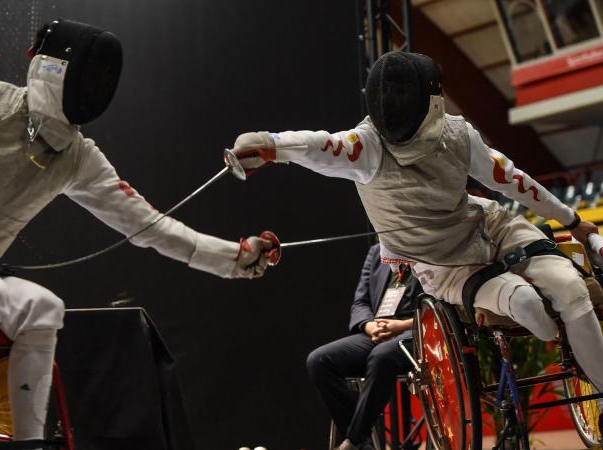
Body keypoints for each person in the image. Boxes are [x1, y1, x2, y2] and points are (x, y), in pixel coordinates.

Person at [0, 19, 273, 447]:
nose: (94, 86)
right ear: (51, 65)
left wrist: (231, 258)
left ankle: (29, 442)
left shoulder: (77, 157)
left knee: (44, 308)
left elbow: (148, 225)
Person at [231, 51, 603, 450]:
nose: (395, 105)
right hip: (445, 266)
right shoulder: (366, 146)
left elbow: (511, 179)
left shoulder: (457, 135)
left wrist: (571, 220)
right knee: (530, 307)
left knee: (571, 290)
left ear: (430, 100)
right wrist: (269, 146)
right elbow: (319, 146)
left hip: (491, 224)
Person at [307, 244, 422, 449]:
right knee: (319, 361)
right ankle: (363, 439)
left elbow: (440, 304)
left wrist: (401, 326)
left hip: (415, 330)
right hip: (377, 330)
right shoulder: (376, 252)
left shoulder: (427, 246)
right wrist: (369, 326)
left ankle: (354, 440)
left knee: (381, 356)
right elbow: (360, 303)